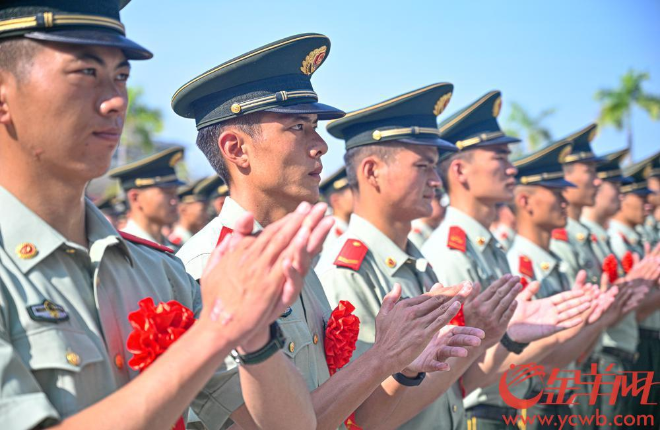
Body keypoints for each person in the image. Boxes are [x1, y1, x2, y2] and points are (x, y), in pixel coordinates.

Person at [0, 2, 328, 429]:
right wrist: (216, 330)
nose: (117, 100)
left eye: (121, 76)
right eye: (86, 73)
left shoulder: (161, 271)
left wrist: (254, 336)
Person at [173, 33, 473, 430]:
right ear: (236, 149)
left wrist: (403, 365)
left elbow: (345, 411)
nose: (320, 146)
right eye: (298, 127)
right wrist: (382, 356)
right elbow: (270, 425)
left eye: (314, 126)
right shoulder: (207, 269)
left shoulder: (294, 261)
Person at [422, 91, 590, 429]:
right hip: (477, 415)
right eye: (500, 157)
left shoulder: (486, 246)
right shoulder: (450, 251)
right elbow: (460, 368)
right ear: (460, 171)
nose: (512, 170)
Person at [508, 143, 641, 430]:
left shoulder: (553, 262)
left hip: (566, 391)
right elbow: (542, 359)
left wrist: (596, 320)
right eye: (556, 194)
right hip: (536, 402)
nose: (564, 201)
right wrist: (596, 321)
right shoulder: (521, 266)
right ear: (526, 202)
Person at [109, 147, 184, 248]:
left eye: (175, 193)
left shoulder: (175, 249)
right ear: (135, 198)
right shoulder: (120, 250)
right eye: (167, 193)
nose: (174, 201)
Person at [319, 166, 353, 253]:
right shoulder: (330, 233)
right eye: (352, 193)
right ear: (335, 200)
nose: (357, 196)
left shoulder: (346, 228)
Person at [169, 179, 211, 248]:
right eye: (202, 210)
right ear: (184, 210)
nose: (206, 215)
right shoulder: (176, 244)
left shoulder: (197, 240)